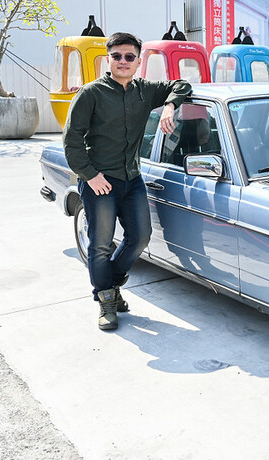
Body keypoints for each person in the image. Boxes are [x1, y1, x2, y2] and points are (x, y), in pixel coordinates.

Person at [63, 32, 191, 330]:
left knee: (140, 238)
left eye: (129, 57)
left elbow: (182, 85)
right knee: (101, 245)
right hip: (99, 181)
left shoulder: (145, 91)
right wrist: (90, 175)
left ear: (138, 61)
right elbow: (71, 140)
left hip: (132, 179)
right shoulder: (91, 93)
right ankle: (106, 302)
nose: (123, 61)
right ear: (108, 59)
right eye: (117, 56)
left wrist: (169, 106)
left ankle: (109, 284)